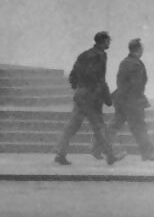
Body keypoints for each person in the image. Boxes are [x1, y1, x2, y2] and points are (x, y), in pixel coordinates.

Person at [54, 31, 125, 166]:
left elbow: (73, 74)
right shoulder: (100, 56)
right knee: (99, 127)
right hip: (92, 97)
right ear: (103, 41)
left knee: (72, 126)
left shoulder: (84, 54)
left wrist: (79, 88)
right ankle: (110, 155)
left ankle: (60, 153)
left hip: (81, 94)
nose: (109, 43)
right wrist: (107, 98)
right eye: (108, 41)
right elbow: (99, 79)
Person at [107, 38, 154, 161]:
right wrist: (137, 100)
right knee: (140, 127)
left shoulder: (124, 62)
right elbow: (137, 85)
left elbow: (120, 81)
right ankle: (147, 153)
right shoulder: (136, 64)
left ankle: (97, 148)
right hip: (132, 102)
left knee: (114, 125)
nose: (142, 51)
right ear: (138, 50)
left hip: (121, 99)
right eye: (142, 49)